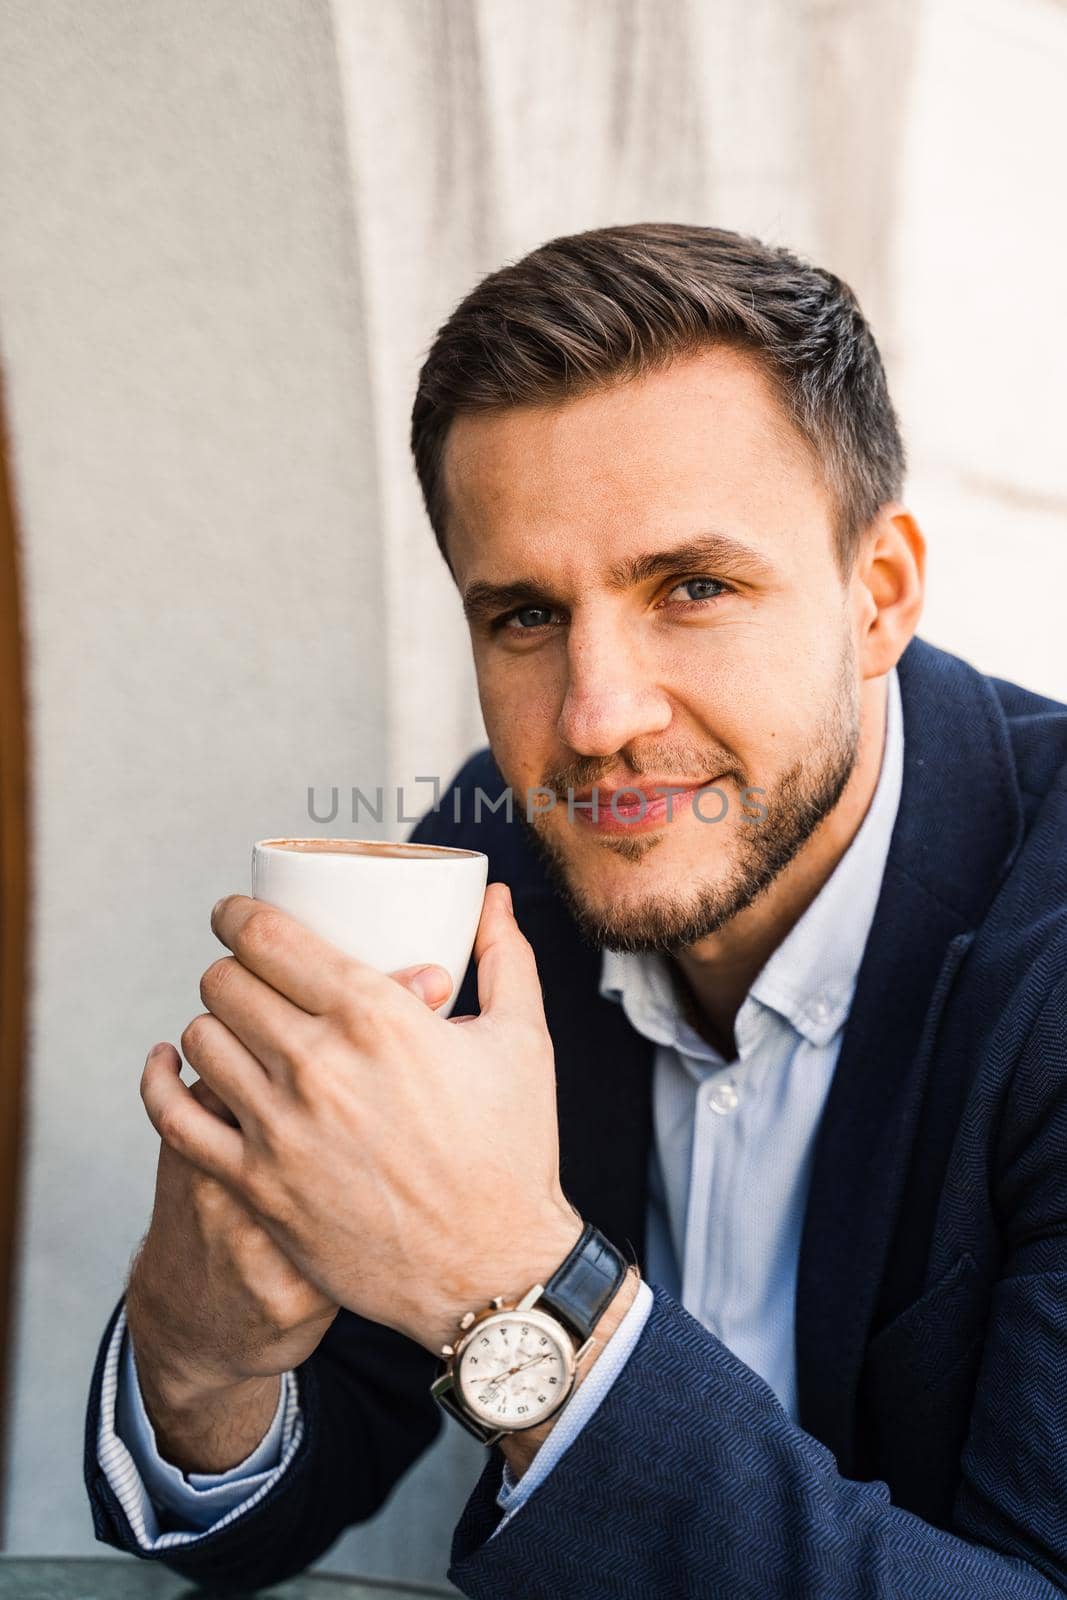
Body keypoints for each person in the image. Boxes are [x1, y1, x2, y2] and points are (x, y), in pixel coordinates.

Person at [85, 224, 1067, 1598]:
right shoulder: (504, 865)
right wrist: (205, 1347)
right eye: (526, 617)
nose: (597, 722)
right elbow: (267, 1512)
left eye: (694, 588)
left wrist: (510, 1284)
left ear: (878, 596)